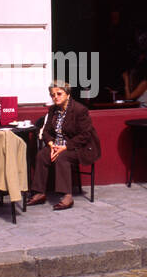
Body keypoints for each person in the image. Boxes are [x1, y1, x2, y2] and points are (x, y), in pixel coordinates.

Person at [26, 80, 100, 211]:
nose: (56, 97)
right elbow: (46, 132)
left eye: (59, 94)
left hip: (79, 147)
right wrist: (51, 144)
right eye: (53, 95)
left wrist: (64, 147)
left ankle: (67, 196)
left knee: (62, 157)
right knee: (42, 155)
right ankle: (39, 192)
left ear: (67, 94)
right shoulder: (53, 110)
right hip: (58, 145)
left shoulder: (79, 110)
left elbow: (85, 135)